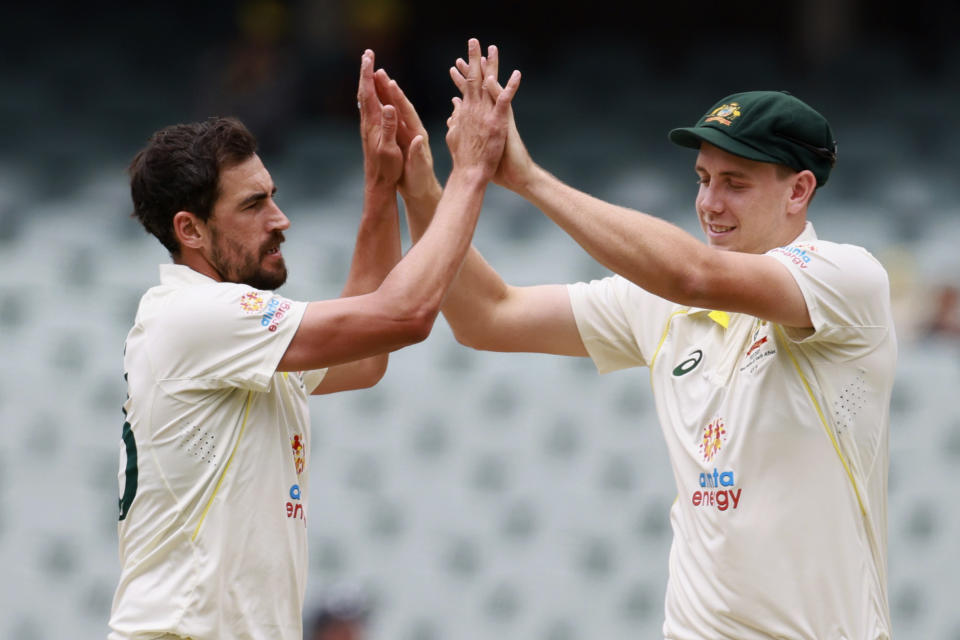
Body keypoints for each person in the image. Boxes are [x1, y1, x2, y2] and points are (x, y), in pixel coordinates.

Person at [380, 46, 895, 639]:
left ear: (799, 190)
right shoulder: (663, 303)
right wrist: (420, 188)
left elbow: (691, 274)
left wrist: (525, 177)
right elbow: (486, 317)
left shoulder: (846, 278)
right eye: (703, 179)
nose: (709, 203)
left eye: (735, 183)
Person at [108, 39, 520, 640]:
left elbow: (367, 358)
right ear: (189, 230)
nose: (281, 219)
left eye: (272, 195)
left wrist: (381, 191)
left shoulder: (225, 335)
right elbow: (404, 316)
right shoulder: (200, 315)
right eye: (254, 205)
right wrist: (472, 173)